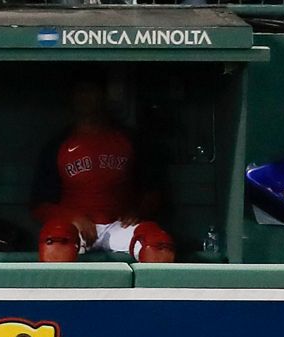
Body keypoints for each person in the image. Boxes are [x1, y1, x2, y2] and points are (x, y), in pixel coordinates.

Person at [30, 74, 175, 263]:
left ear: (105, 96)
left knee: (157, 243)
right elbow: (39, 204)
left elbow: (153, 190)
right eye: (81, 91)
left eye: (92, 91)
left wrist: (138, 211)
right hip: (75, 229)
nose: (86, 98)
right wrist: (72, 217)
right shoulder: (58, 145)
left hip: (119, 226)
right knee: (56, 241)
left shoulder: (129, 140)